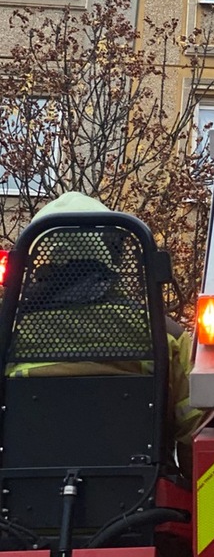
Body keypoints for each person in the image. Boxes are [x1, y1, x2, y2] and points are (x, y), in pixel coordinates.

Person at [4, 192, 202, 479]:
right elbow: (195, 433)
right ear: (109, 256)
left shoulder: (8, 334)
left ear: (35, 261)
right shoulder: (164, 336)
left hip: (21, 510)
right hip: (142, 509)